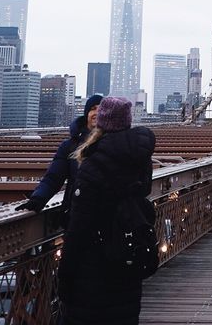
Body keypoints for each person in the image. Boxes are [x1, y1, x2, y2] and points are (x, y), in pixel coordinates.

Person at [58, 96, 157, 325]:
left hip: (94, 269)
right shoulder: (141, 159)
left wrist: (65, 276)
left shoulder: (93, 164)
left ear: (102, 122)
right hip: (128, 257)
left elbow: (79, 228)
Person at [20, 93, 103, 220]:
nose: (96, 112)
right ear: (86, 114)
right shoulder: (69, 146)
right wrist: (38, 199)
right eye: (92, 109)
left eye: (101, 109)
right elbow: (53, 178)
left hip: (106, 214)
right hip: (76, 212)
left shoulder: (114, 143)